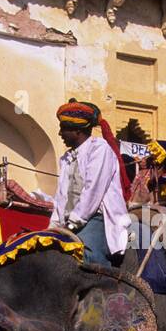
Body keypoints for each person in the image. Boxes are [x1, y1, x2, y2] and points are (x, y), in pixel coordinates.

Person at [51, 100, 131, 265]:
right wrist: (54, 225)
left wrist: (72, 224)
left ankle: (105, 289)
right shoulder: (67, 158)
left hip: (96, 217)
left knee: (85, 260)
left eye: (63, 129)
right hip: (70, 223)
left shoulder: (100, 149)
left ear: (78, 130)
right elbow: (61, 195)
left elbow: (92, 192)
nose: (60, 134)